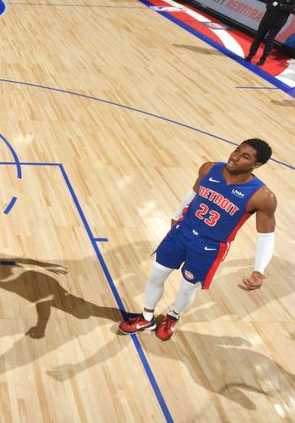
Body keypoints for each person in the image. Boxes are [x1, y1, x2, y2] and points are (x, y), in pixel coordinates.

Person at [119, 139, 277, 341]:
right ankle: (147, 317)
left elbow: (266, 236)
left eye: (245, 156)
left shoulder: (262, 196)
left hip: (209, 247)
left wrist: (259, 269)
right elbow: (192, 194)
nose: (235, 157)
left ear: (256, 165)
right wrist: (176, 218)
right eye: (237, 150)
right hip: (183, 231)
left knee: (186, 287)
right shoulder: (209, 169)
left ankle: (173, 316)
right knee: (156, 275)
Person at [245, 0, 295, 66]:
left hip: (278, 23)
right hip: (267, 19)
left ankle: (263, 58)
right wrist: (281, 6)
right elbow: (268, 5)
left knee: (269, 40)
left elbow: (290, 9)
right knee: (258, 38)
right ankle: (251, 54)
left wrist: (278, 5)